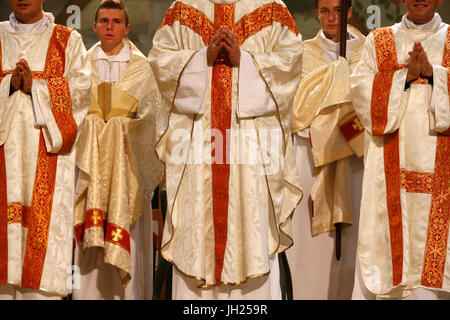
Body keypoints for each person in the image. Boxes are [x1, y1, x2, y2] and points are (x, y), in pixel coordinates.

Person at [148, 0, 303, 299]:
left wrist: (244, 60)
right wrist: (200, 58)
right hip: (198, 150)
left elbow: (291, 63)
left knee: (251, 225)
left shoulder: (271, 8)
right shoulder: (183, 9)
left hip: (252, 151)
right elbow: (160, 60)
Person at [351, 0, 450, 299]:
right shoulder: (378, 41)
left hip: (441, 166)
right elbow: (361, 94)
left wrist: (433, 74)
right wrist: (405, 76)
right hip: (388, 167)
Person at [72, 0, 162, 300]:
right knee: (88, 263)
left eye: (116, 21)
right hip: (91, 165)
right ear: (94, 26)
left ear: (127, 27)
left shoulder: (142, 68)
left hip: (128, 174)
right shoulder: (81, 66)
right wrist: (94, 124)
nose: (109, 26)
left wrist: (121, 127)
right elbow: (70, 113)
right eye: (104, 20)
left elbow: (152, 122)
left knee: (131, 245)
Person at [0, 0, 90, 299]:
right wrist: (8, 86)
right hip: (4, 161)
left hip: (48, 158)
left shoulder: (67, 40)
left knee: (40, 275)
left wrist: (35, 88)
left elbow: (81, 92)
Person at [288, 0, 365, 299]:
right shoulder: (302, 54)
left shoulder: (367, 51)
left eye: (337, 10)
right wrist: (323, 128)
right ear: (318, 13)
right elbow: (295, 105)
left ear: (348, 11)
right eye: (324, 11)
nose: (331, 18)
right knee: (311, 244)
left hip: (357, 157)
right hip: (311, 155)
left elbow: (371, 101)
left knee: (356, 237)